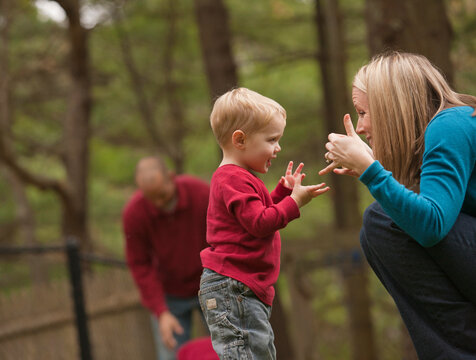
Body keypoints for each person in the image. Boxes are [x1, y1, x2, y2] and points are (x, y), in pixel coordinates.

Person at [320, 51, 476, 358]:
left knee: (383, 221)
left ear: (391, 106)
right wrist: (375, 167)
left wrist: (371, 171)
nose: (361, 127)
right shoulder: (446, 128)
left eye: (363, 113)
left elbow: (432, 225)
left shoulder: (450, 125)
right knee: (382, 223)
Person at [199, 87, 329, 359]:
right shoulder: (232, 178)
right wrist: (294, 203)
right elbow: (260, 223)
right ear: (240, 140)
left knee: (259, 352)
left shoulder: (239, 177)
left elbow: (252, 217)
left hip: (241, 287)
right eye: (271, 139)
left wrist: (282, 193)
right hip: (233, 286)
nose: (278, 148)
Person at [122, 156, 210, 360]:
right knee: (170, 355)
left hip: (209, 285)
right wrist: (161, 311)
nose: (158, 203)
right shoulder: (134, 214)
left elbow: (224, 239)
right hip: (170, 297)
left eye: (161, 195)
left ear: (171, 177)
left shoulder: (200, 194)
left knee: (229, 349)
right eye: (151, 198)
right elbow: (140, 265)